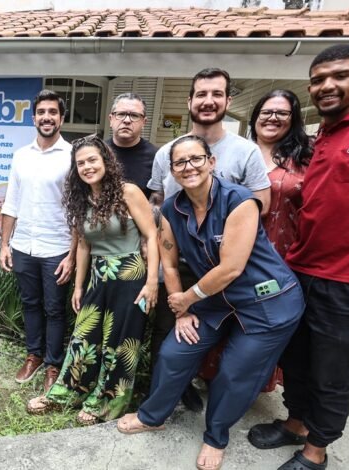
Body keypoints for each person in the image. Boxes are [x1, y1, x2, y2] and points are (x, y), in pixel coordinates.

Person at [249, 44, 349, 470]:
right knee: (295, 356)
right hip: (301, 268)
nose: (327, 86)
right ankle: (295, 423)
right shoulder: (322, 137)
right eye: (318, 79)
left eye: (339, 75)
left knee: (331, 371)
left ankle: (316, 452)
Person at [117, 135, 305, 470]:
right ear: (171, 171)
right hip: (215, 298)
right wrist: (182, 313)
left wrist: (187, 299)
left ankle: (216, 436)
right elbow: (170, 264)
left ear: (211, 162)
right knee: (175, 351)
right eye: (180, 163)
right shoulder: (172, 211)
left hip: (268, 300)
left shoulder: (240, 200)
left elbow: (231, 267)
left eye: (196, 159)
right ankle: (152, 415)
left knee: (235, 372)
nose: (188, 167)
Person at [146, 68, 271, 412]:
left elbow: (263, 204)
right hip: (180, 263)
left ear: (228, 101)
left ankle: (214, 390)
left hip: (230, 268)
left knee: (219, 333)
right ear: (189, 101)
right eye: (201, 94)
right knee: (169, 328)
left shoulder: (245, 152)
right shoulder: (166, 153)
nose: (208, 101)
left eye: (217, 94)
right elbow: (158, 203)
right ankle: (171, 389)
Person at [25, 136, 158, 425]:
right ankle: (67, 393)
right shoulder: (82, 198)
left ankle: (107, 400)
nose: (87, 167)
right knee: (84, 338)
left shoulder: (129, 191)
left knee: (119, 343)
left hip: (130, 274)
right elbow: (84, 246)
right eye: (80, 163)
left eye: (92, 160)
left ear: (106, 161)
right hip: (99, 275)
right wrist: (78, 285)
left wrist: (152, 282)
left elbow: (151, 236)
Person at [199, 89, 313, 392]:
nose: (272, 119)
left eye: (282, 113)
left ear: (294, 118)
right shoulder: (238, 151)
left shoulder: (303, 158)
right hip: (232, 247)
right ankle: (215, 379)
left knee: (265, 319)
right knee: (227, 311)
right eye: (266, 112)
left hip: (278, 249)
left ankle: (249, 385)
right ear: (255, 117)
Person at [0, 89, 77, 392]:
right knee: (30, 303)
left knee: (55, 308)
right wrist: (5, 244)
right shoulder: (21, 155)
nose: (47, 117)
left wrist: (72, 255)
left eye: (53, 112)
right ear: (34, 118)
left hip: (57, 247)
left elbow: (76, 211)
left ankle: (53, 363)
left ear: (61, 118)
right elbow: (12, 202)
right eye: (42, 112)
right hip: (24, 246)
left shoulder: (71, 156)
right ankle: (33, 355)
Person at [105, 92, 158, 197]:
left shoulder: (156, 157)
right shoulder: (97, 152)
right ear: (111, 119)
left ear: (144, 122)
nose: (127, 120)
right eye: (121, 114)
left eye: (134, 115)